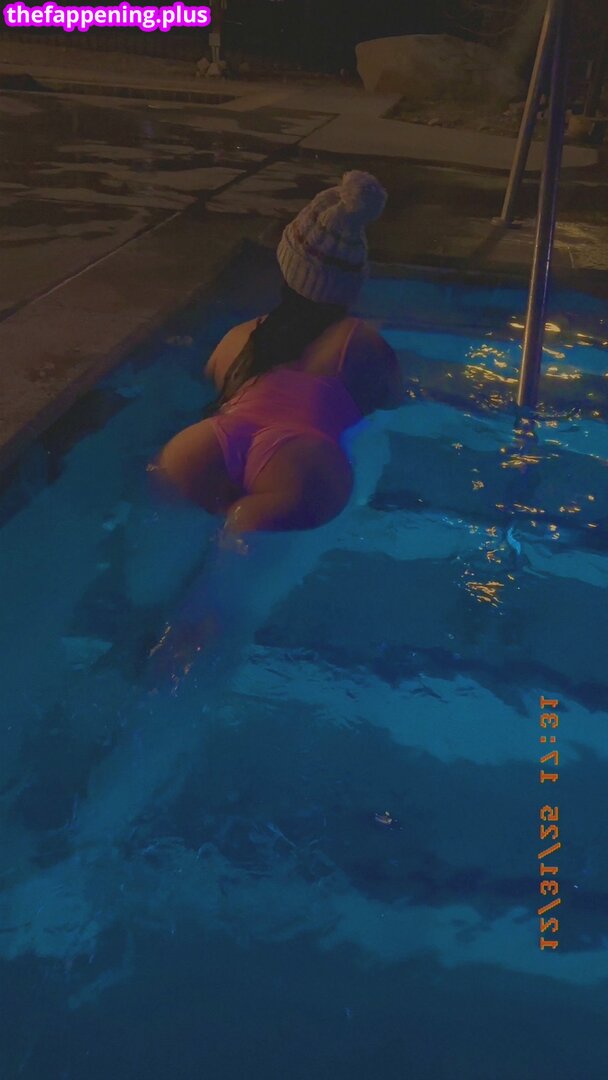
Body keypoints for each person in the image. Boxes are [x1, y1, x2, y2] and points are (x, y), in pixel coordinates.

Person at [158, 170, 404, 535]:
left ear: (286, 267)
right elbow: (394, 401)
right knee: (239, 546)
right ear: (352, 285)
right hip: (301, 463)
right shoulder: (361, 341)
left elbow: (211, 380)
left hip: (200, 447)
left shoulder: (240, 335)